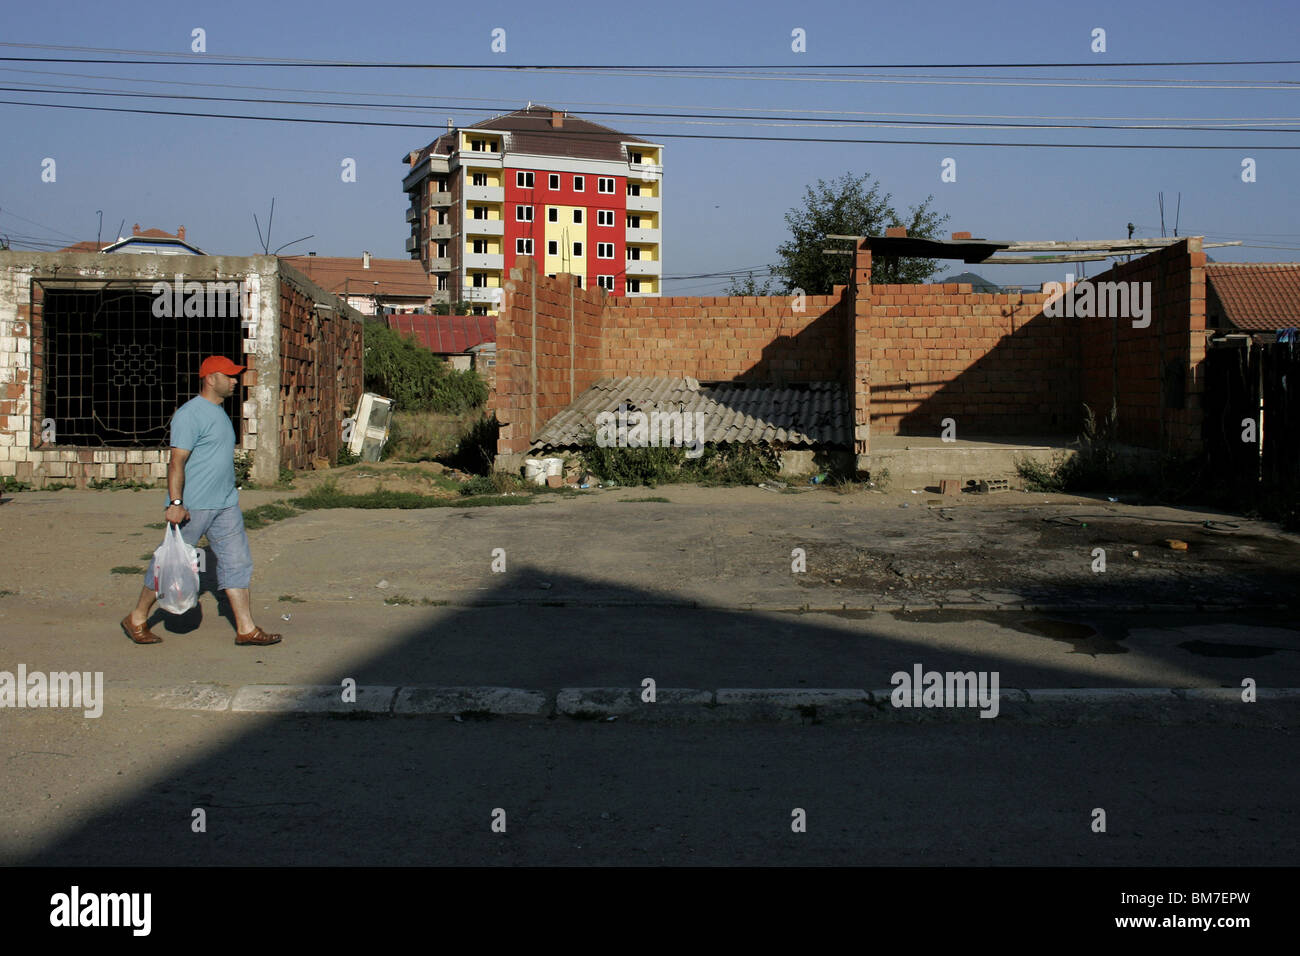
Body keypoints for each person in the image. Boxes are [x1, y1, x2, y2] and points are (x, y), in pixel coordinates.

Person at [121, 356, 282, 646]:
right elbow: (176, 462)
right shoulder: (189, 415)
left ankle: (246, 628)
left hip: (225, 504)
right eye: (229, 376)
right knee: (170, 563)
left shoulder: (219, 412)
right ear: (210, 378)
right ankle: (137, 617)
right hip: (193, 507)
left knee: (237, 562)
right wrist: (176, 502)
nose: (235, 381)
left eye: (236, 376)